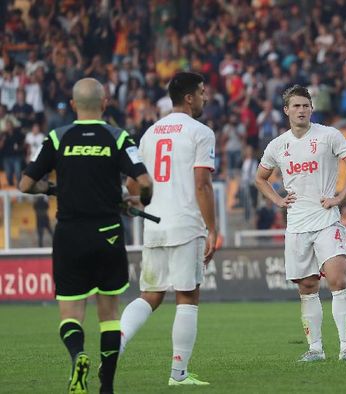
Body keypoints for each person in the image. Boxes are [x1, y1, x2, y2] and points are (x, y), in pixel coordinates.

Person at [19, 78, 153, 394]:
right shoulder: (118, 137)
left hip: (69, 235)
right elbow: (144, 182)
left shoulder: (57, 137)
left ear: (74, 104)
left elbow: (26, 184)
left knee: (71, 314)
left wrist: (54, 188)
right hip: (107, 234)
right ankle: (106, 386)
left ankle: (78, 355)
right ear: (105, 104)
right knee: (108, 316)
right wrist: (137, 202)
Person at [255, 85, 346, 362]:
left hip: (326, 220)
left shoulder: (329, 135)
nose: (302, 110)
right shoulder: (277, 145)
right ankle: (315, 349)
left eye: (306, 105)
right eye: (296, 106)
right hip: (296, 225)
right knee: (306, 287)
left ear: (312, 109)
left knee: (338, 280)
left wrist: (340, 196)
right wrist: (278, 200)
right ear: (286, 111)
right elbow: (260, 178)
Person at [119, 72, 217, 386]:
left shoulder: (150, 133)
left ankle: (115, 343)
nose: (205, 97)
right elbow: (202, 184)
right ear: (189, 98)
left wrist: (135, 202)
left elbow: (133, 183)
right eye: (201, 92)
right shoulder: (200, 132)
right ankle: (179, 374)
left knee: (150, 293)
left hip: (155, 227)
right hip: (186, 224)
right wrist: (213, 229)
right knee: (188, 295)